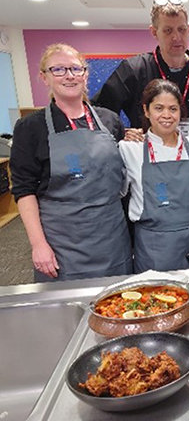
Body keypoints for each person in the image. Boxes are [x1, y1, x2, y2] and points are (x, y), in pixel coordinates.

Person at [10, 43, 133, 282]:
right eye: (58, 69)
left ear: (85, 74)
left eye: (76, 69)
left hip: (112, 240)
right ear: (44, 77)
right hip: (63, 246)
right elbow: (24, 190)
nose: (69, 76)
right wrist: (38, 245)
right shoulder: (30, 127)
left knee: (118, 306)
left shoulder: (109, 120)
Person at [119, 79, 189, 273]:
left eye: (173, 109)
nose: (167, 115)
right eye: (159, 108)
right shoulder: (129, 149)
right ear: (146, 110)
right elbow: (116, 191)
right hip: (154, 248)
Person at [92, 0, 189, 133]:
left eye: (181, 29)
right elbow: (98, 112)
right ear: (154, 32)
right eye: (168, 30)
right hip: (146, 150)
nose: (176, 37)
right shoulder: (133, 69)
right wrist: (122, 132)